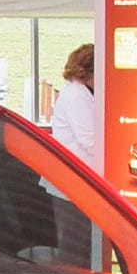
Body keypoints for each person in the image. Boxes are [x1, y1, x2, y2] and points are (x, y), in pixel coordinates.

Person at [47, 43, 97, 262]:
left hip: (72, 179)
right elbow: (90, 140)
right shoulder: (78, 97)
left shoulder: (76, 93)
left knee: (77, 243)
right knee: (76, 245)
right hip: (74, 180)